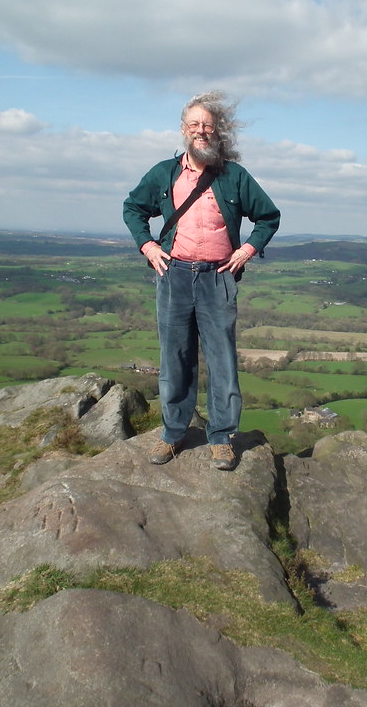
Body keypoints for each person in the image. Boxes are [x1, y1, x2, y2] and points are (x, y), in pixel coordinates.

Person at [123, 91, 280, 471]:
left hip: (218, 277)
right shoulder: (164, 173)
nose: (201, 131)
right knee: (174, 358)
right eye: (194, 124)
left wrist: (246, 250)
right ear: (183, 130)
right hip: (173, 274)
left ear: (218, 131)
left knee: (222, 359)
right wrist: (147, 245)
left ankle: (222, 437)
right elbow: (133, 207)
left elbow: (268, 217)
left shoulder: (234, 176)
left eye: (207, 125)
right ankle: (173, 433)